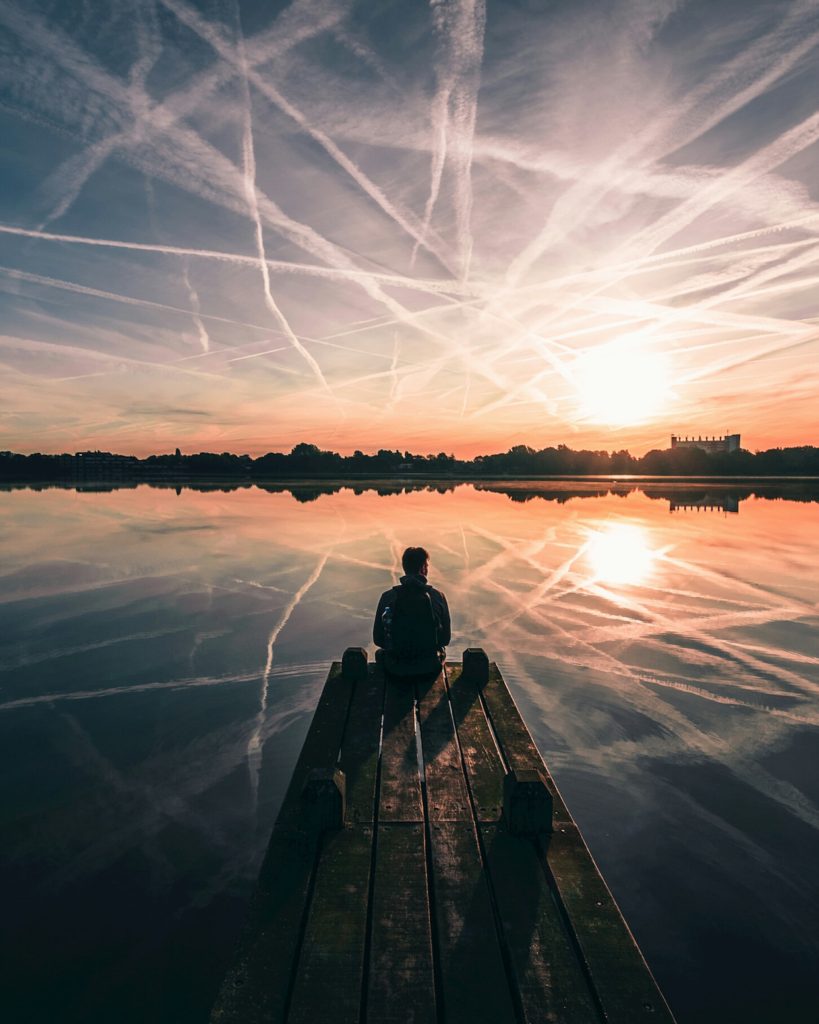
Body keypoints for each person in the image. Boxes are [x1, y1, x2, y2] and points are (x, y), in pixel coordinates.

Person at [373, 546, 451, 677]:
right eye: (426, 566)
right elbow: (445, 639)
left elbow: (378, 639)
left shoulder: (388, 597)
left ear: (405, 568)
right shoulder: (438, 597)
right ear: (423, 569)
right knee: (441, 651)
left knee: (380, 653)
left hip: (395, 668)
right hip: (429, 668)